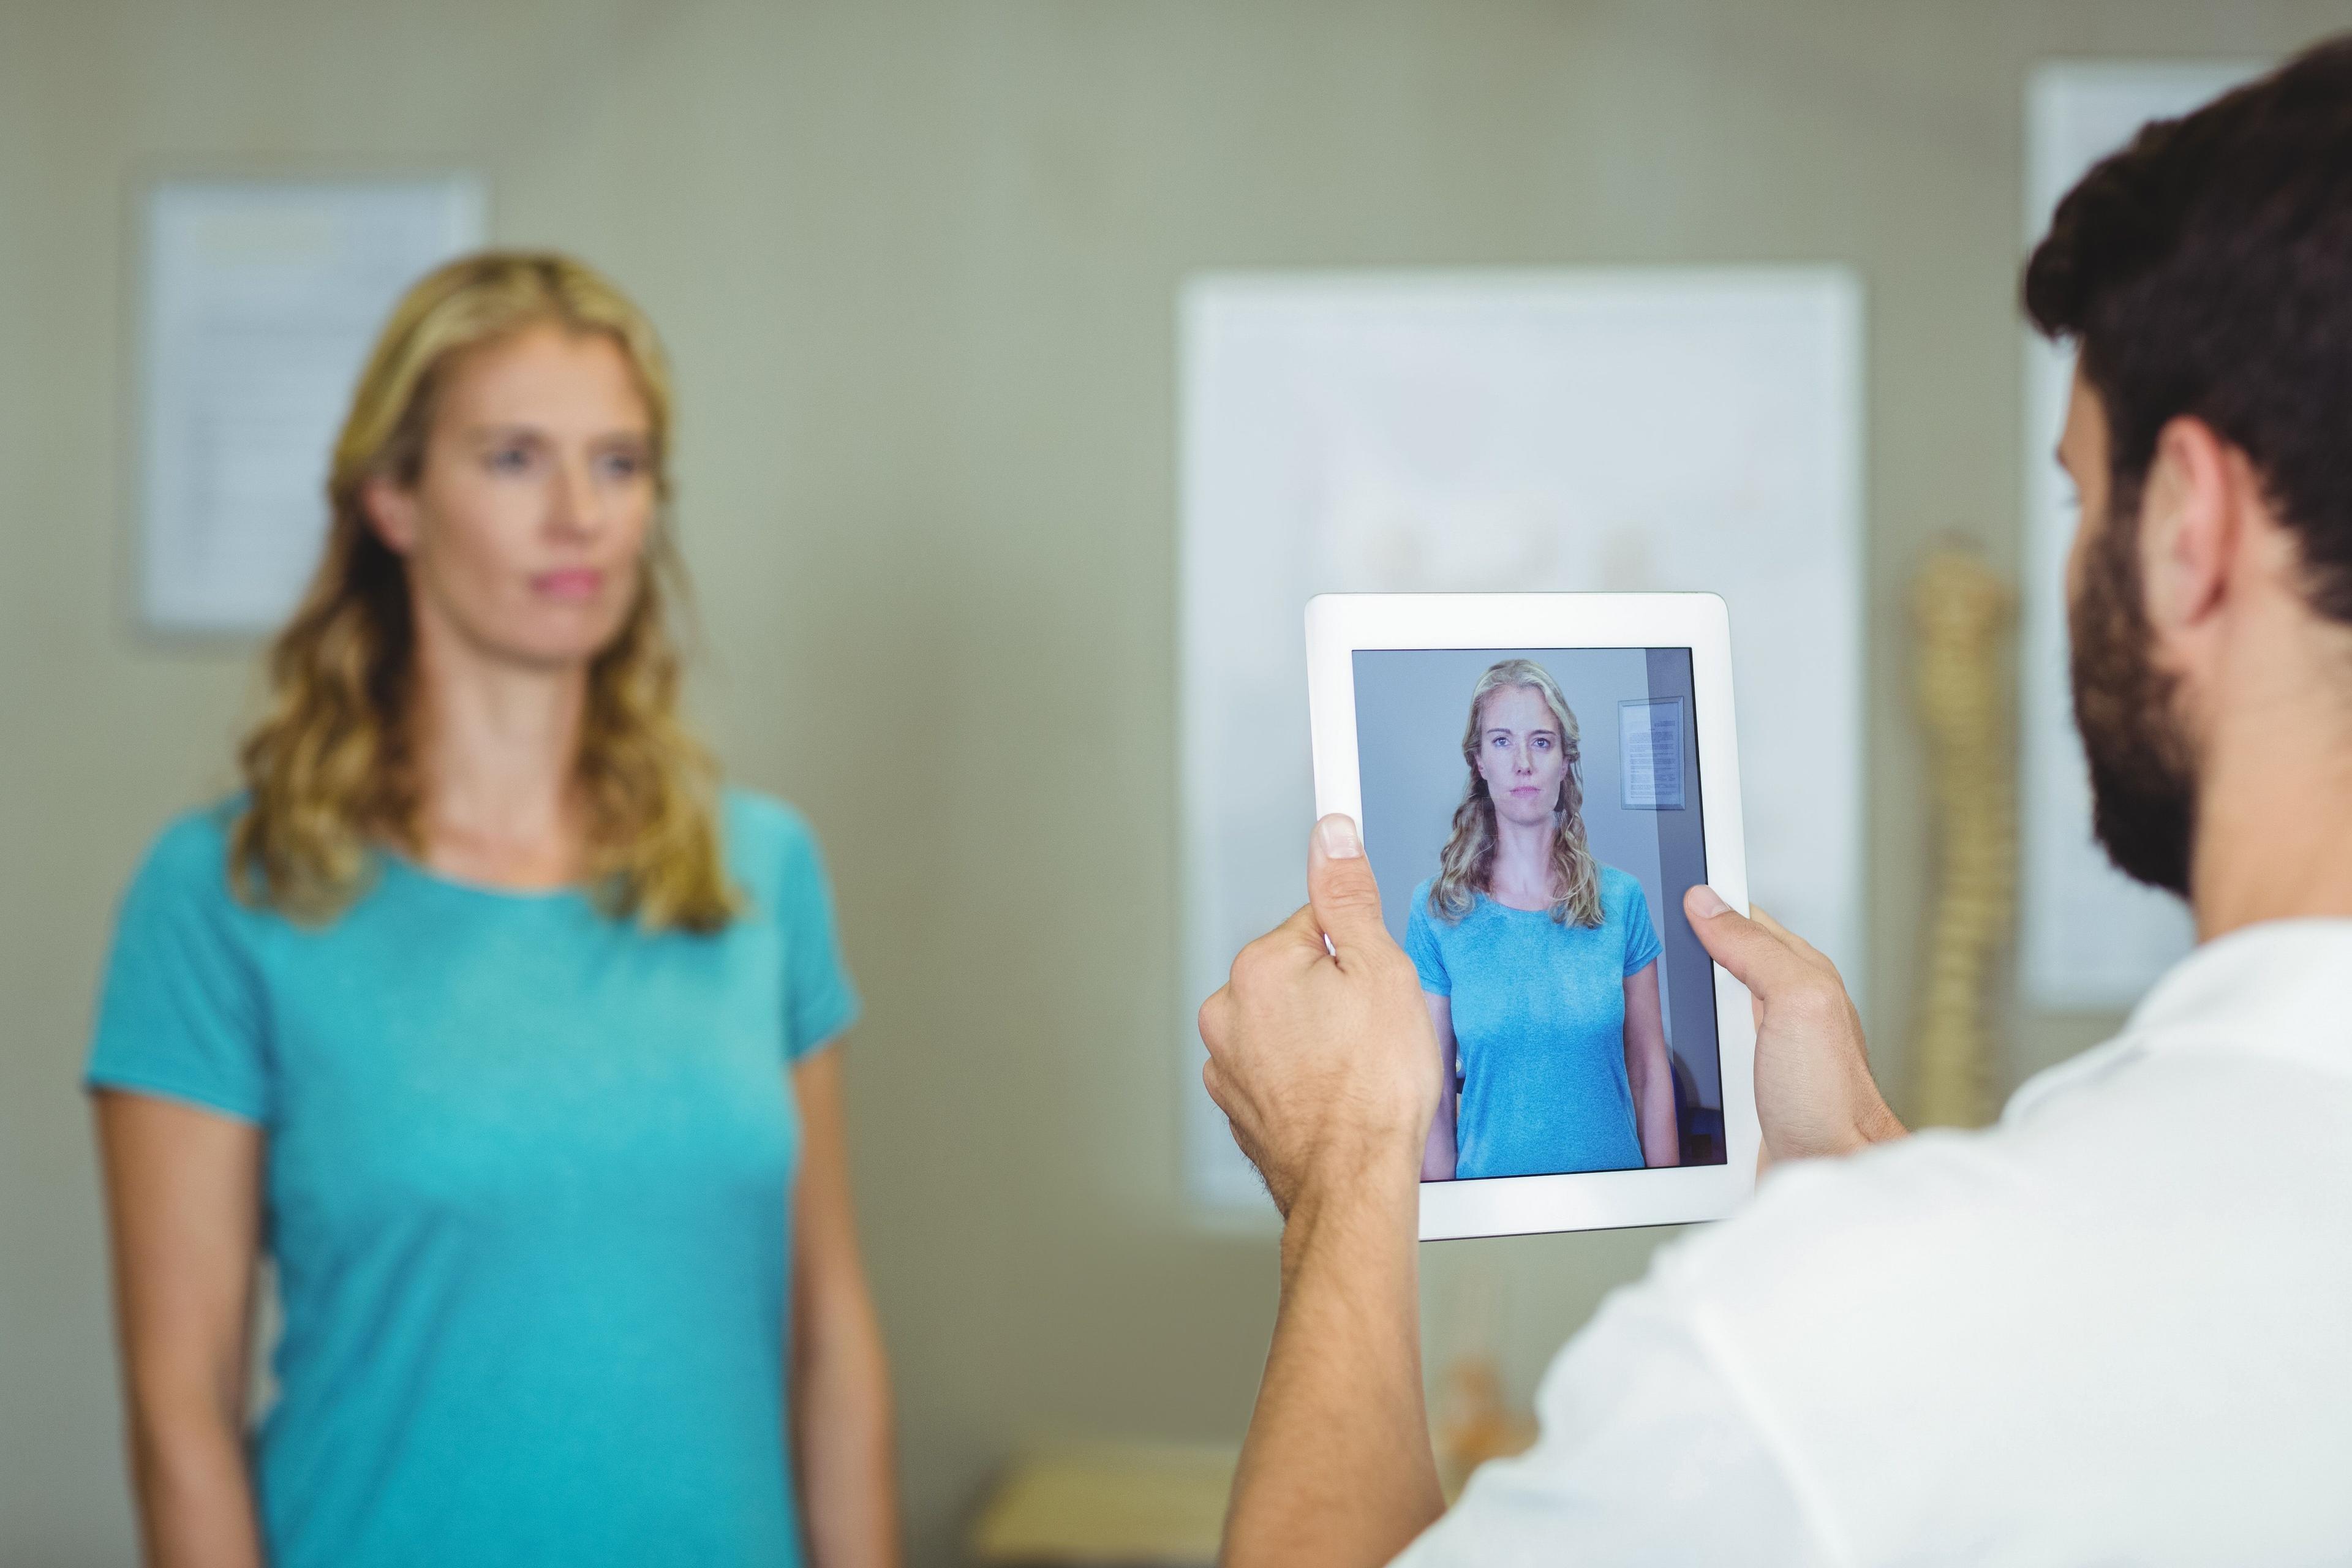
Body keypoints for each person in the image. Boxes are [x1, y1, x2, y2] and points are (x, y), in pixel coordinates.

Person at [1197, 36, 2352, 1568]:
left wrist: (1343, 1171)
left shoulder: (1812, 1351)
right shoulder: (1932, 1294)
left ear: (2187, 527)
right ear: (1479, 764)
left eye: (2078, 498)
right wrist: (1870, 1163)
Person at [88, 254, 900, 1568]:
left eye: (621, 463)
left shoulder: (762, 871)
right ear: (394, 497)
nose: (579, 513)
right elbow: (181, 1414)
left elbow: (832, 1332)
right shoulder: (221, 895)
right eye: (515, 459)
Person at [1405, 659, 1676, 1179]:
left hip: (1616, 1206)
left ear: (1566, 760)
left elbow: (1649, 1070)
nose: (1523, 763)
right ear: (1479, 761)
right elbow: (1434, 1098)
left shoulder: (1622, 900)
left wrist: (1668, 1212)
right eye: (1502, 742)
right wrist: (1446, 1233)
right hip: (1489, 1219)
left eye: (1542, 742)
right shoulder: (1436, 911)